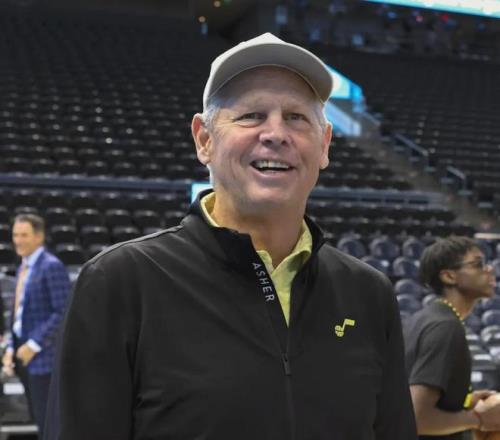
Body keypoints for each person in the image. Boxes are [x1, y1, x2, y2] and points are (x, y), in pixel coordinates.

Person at [46, 32, 417, 440]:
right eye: (251, 115)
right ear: (204, 139)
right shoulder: (121, 281)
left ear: (324, 144)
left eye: (296, 117)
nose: (275, 133)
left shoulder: (368, 293)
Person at [404, 236, 500, 440]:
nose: (489, 269)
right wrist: (479, 419)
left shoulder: (423, 318)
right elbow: (415, 417)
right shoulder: (446, 326)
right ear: (449, 276)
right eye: (478, 264)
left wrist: (463, 401)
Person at [2, 214, 71, 438]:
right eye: (15, 235)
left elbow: (62, 312)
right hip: (22, 355)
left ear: (39, 236)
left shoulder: (51, 266)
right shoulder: (23, 266)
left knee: (49, 423)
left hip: (43, 358)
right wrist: (11, 347)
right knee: (38, 419)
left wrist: (33, 344)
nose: (18, 240)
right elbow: (18, 314)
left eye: (24, 235)